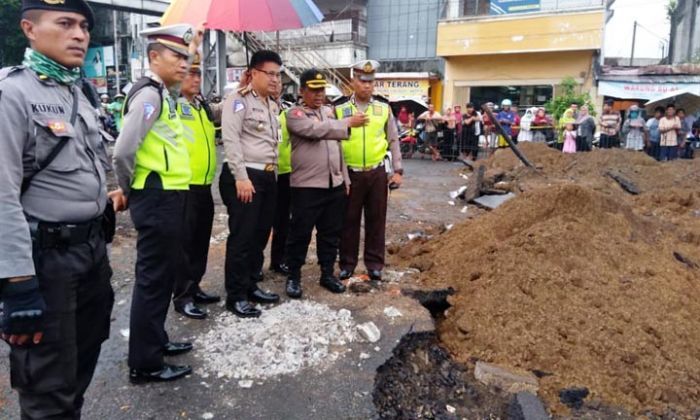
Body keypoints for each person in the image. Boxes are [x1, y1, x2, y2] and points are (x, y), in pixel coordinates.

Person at [0, 0, 114, 417]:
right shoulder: (11, 94)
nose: (80, 34)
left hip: (89, 253)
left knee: (81, 364)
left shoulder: (77, 90)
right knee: (48, 384)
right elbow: (2, 195)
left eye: (83, 25)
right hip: (45, 262)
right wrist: (16, 283)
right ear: (29, 29)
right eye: (65, 23)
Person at [112, 23, 202, 384]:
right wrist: (129, 190)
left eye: (186, 56)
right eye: (176, 56)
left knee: (162, 276)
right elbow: (122, 152)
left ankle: (156, 341)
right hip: (157, 196)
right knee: (152, 280)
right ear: (154, 57)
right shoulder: (149, 96)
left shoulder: (163, 93)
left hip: (169, 194)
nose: (183, 63)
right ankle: (145, 363)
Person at [283, 69, 368, 298]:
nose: (318, 94)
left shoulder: (330, 113)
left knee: (331, 233)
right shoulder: (295, 114)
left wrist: (345, 178)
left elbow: (338, 147)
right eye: (313, 89)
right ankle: (293, 276)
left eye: (321, 89)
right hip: (306, 186)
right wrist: (346, 122)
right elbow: (315, 131)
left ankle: (327, 273)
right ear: (302, 91)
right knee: (300, 233)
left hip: (334, 184)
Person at [219, 50, 284, 318]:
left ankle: (250, 284)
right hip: (247, 177)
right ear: (254, 73)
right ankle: (235, 296)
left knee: (259, 236)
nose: (275, 80)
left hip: (268, 177)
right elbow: (231, 140)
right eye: (270, 74)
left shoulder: (272, 104)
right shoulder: (238, 100)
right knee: (242, 237)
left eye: (279, 75)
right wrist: (241, 178)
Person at [335, 60, 403, 281]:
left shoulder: (383, 108)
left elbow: (393, 140)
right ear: (353, 81)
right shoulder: (340, 109)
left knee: (376, 219)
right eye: (362, 81)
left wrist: (398, 170)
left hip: (376, 172)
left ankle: (374, 263)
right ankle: (347, 263)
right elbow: (333, 140)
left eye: (370, 82)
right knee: (348, 220)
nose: (367, 86)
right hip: (350, 173)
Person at [171, 52, 222, 320]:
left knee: (201, 240)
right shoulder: (172, 104)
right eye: (190, 73)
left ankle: (196, 285)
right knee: (185, 244)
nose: (195, 78)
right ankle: (182, 295)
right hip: (183, 185)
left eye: (199, 73)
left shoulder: (201, 106)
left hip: (204, 185)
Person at [269, 83, 293, 276]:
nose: (275, 88)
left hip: (285, 172)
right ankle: (254, 263)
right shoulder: (258, 108)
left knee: (283, 221)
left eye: (279, 85)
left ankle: (279, 260)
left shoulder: (287, 111)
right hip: (265, 172)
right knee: (260, 221)